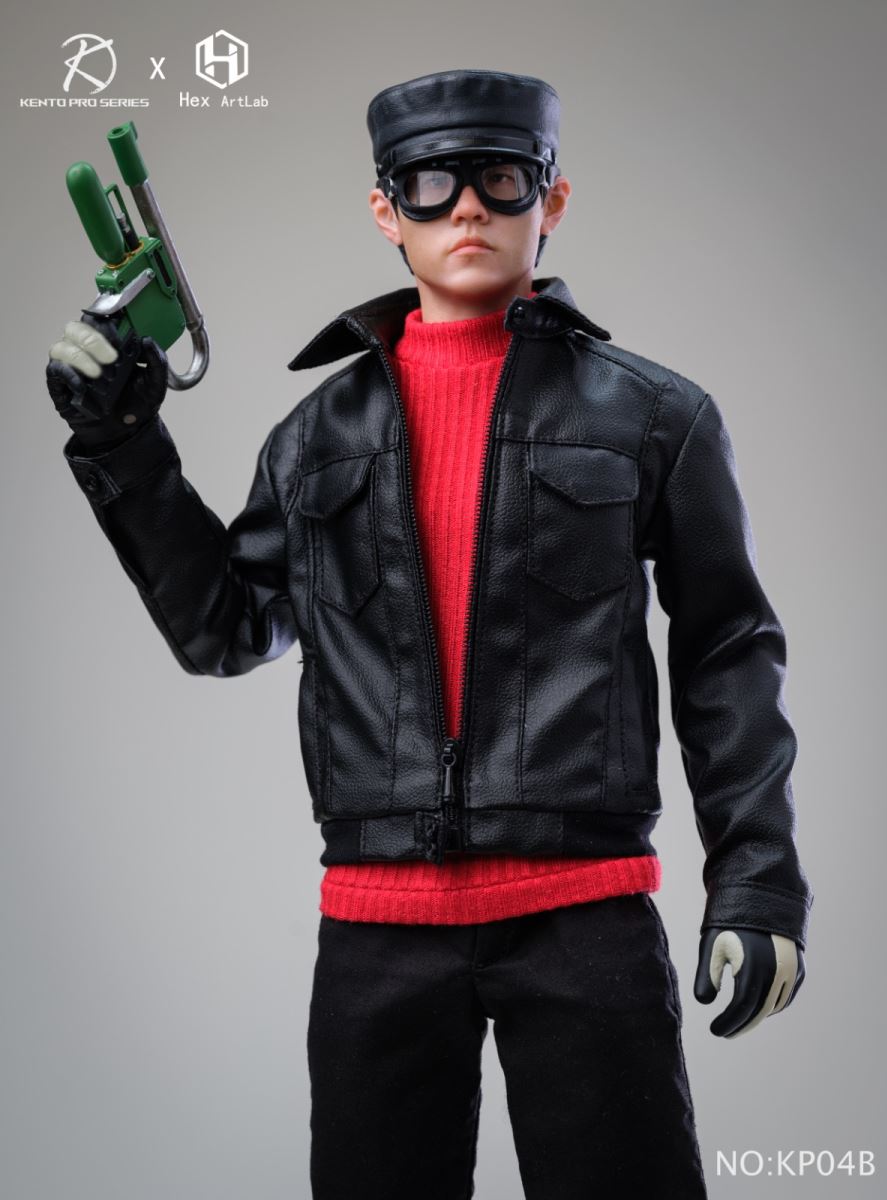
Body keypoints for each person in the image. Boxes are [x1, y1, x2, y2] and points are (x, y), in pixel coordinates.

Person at [46, 68, 812, 1200]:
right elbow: (225, 628)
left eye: (501, 179)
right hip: (379, 931)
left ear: (551, 200)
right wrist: (123, 446)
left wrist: (758, 887)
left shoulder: (653, 416)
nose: (465, 208)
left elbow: (727, 653)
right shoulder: (315, 438)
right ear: (384, 209)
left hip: (585, 917)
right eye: (428, 183)